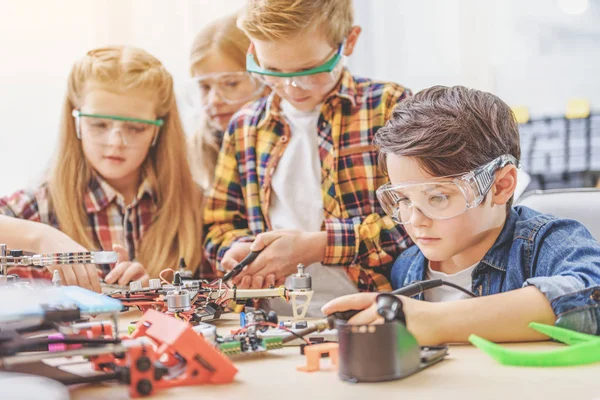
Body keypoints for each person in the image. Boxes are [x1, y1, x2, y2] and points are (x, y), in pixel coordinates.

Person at [323, 85, 600, 343]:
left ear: (500, 186)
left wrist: (433, 321)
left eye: (438, 197)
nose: (416, 219)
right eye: (403, 199)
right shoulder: (407, 267)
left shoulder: (544, 244)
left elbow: (592, 294)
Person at [204, 0, 412, 316]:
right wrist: (237, 250)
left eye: (309, 70)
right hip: (270, 319)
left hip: (374, 314)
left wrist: (318, 246)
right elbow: (219, 224)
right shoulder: (244, 126)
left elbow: (420, 220)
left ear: (349, 41)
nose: (292, 86)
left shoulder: (390, 107)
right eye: (271, 70)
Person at [0, 46, 204, 290]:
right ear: (75, 121)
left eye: (135, 129)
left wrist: (151, 293)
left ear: (157, 131)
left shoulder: (195, 205)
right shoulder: (40, 206)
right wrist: (40, 236)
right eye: (98, 125)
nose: (115, 143)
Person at [188, 11, 267, 191]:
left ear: (265, 80)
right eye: (205, 87)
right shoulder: (195, 152)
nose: (214, 100)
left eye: (231, 83)